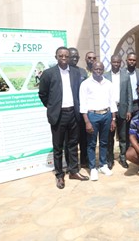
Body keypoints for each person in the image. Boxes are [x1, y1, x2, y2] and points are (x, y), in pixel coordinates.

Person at [38, 46, 89, 189]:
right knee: (58, 146)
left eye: (66, 56)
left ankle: (73, 171)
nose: (64, 58)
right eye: (61, 56)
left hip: (73, 113)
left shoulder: (75, 72)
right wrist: (52, 106)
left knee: (73, 145)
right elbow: (43, 94)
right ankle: (59, 175)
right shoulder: (48, 74)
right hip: (58, 115)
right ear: (56, 57)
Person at [80, 61, 117, 181]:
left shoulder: (108, 84)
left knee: (104, 142)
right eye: (96, 69)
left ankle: (102, 165)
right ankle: (93, 168)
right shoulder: (85, 84)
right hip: (92, 116)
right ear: (91, 69)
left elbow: (112, 102)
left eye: (101, 69)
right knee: (91, 143)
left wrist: (113, 119)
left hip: (106, 115)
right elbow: (83, 104)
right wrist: (87, 122)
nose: (98, 71)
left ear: (103, 70)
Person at [104, 55, 132, 170]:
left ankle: (123, 157)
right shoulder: (105, 76)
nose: (116, 64)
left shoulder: (126, 75)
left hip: (123, 109)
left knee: (123, 136)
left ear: (121, 63)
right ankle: (110, 159)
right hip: (110, 110)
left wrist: (129, 109)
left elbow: (129, 94)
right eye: (114, 62)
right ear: (111, 62)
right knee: (109, 137)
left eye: (118, 62)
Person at [67, 47, 88, 167]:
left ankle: (84, 161)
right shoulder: (64, 72)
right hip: (70, 111)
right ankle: (71, 164)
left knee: (84, 138)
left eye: (76, 56)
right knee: (71, 140)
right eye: (72, 56)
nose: (74, 58)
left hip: (83, 110)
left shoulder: (82, 72)